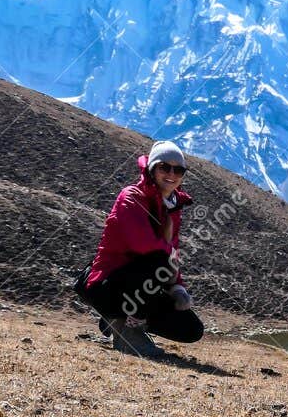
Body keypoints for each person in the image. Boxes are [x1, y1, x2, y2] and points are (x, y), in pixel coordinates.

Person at [76, 140, 204, 357]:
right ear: (151, 169)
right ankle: (129, 333)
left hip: (140, 285)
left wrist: (177, 287)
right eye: (164, 167)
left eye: (178, 169)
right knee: (159, 259)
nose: (171, 174)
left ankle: (116, 319)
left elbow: (172, 252)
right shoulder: (131, 197)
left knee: (191, 329)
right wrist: (169, 262)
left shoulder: (172, 207)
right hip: (106, 284)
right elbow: (143, 245)